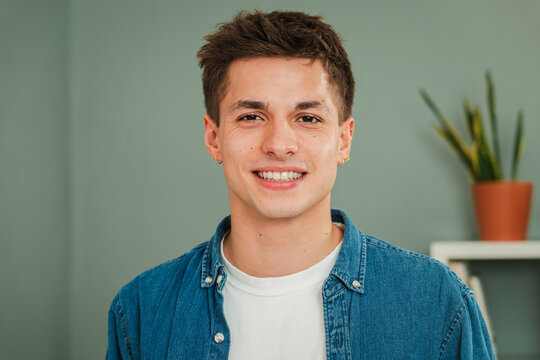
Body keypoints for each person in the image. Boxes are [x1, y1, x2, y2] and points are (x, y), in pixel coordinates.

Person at [107, 10, 495, 360]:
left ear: (343, 140)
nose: (279, 145)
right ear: (214, 138)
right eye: (251, 116)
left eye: (307, 118)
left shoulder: (436, 300)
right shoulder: (142, 309)